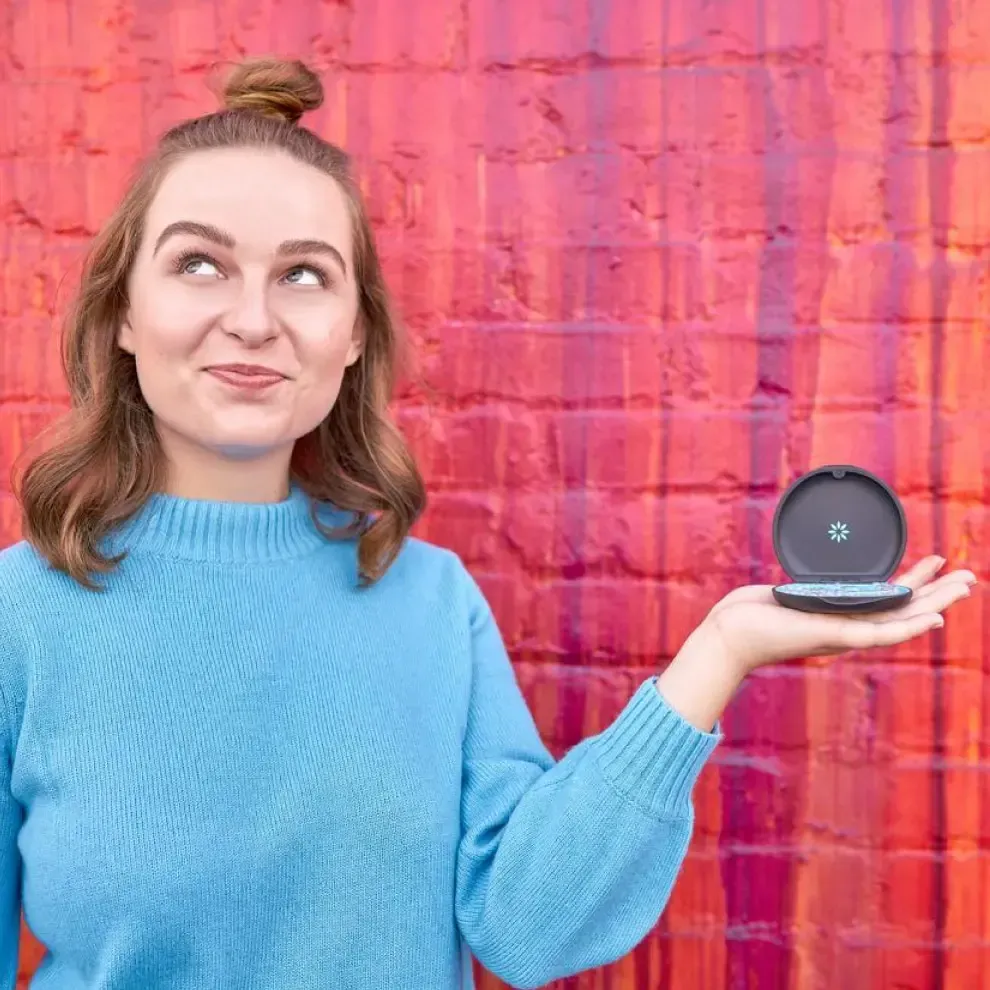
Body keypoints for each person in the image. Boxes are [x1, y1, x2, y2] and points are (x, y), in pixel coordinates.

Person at [0, 56, 974, 990]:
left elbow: (528, 924)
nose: (254, 319)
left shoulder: (430, 604)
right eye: (201, 265)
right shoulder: (21, 616)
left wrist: (721, 651)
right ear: (123, 313)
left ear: (352, 339)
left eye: (304, 275)